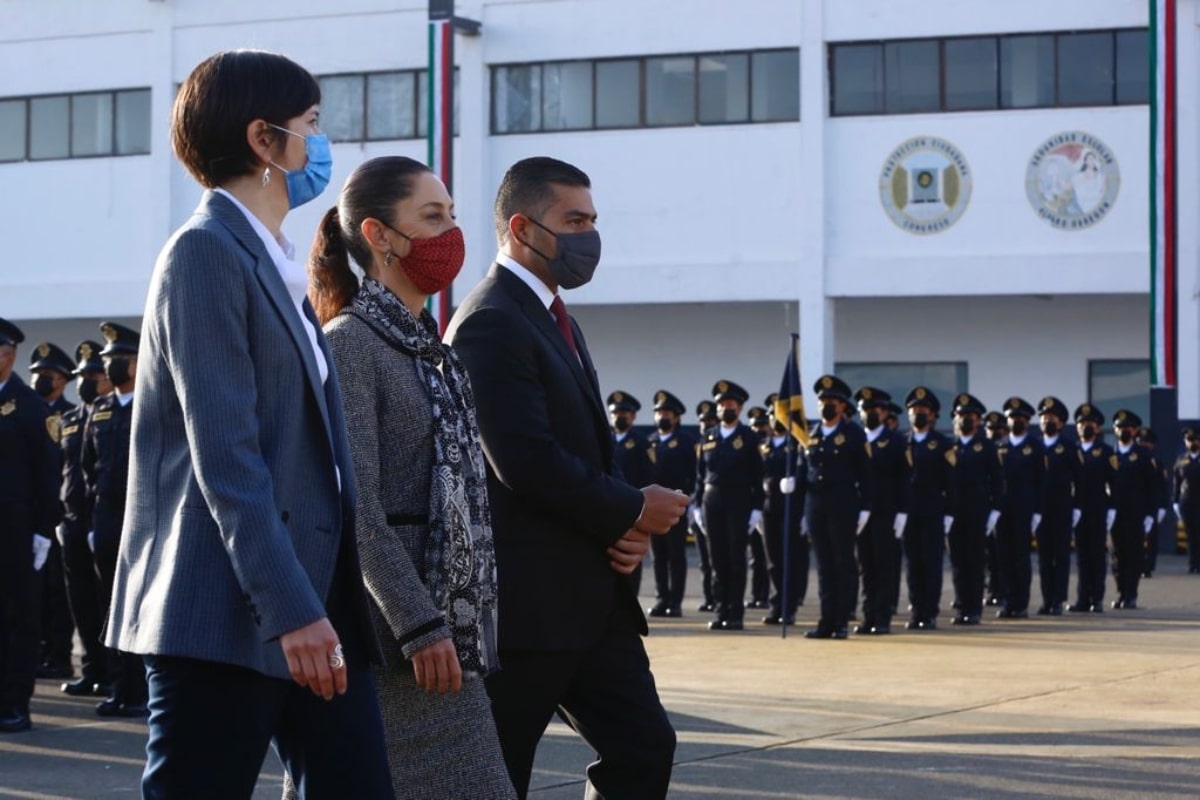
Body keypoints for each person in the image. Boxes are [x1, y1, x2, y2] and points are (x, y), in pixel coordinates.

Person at [103, 49, 393, 799]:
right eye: (311, 126)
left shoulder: (274, 260)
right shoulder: (204, 254)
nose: (319, 147)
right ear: (264, 140)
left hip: (311, 594)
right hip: (230, 611)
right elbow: (226, 456)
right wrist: (292, 609)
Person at [445, 156, 686, 799]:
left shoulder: (557, 318)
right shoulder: (491, 319)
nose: (589, 236)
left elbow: (587, 448)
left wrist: (625, 527)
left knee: (644, 748)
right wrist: (633, 508)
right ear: (523, 228)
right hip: (530, 610)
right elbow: (522, 459)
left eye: (593, 220)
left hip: (591, 600)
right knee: (497, 777)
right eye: (574, 220)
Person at [304, 155, 514, 799]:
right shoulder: (350, 343)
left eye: (451, 214)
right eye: (431, 216)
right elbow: (355, 504)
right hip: (393, 644)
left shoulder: (431, 349)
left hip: (449, 635)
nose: (450, 232)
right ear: (379, 235)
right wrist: (419, 625)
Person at [81, 322, 147, 718]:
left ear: (139, 363)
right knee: (110, 602)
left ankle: (140, 690)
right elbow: (88, 465)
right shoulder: (100, 410)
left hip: (140, 511)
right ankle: (118, 685)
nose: (112, 367)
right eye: (109, 360)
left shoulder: (153, 401)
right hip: (106, 513)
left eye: (120, 359)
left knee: (139, 601)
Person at [0, 318, 61, 733]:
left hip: (16, 529)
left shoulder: (30, 407)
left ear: (9, 355)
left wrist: (43, 530)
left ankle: (14, 702)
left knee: (17, 617)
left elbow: (48, 474)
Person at [58, 340, 113, 698]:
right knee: (79, 601)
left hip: (103, 522)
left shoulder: (112, 413)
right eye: (84, 375)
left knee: (104, 601)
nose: (87, 380)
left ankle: (113, 674)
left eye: (94, 374)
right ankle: (91, 669)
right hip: (74, 521)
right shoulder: (72, 418)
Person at [803, 375, 871, 640]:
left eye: (831, 401)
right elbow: (805, 468)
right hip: (816, 504)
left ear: (842, 406)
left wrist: (865, 507)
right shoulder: (811, 432)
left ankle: (841, 619)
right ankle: (826, 620)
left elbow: (865, 473)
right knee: (823, 565)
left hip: (842, 503)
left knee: (842, 562)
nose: (826, 405)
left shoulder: (853, 433)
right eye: (822, 401)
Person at [696, 379, 765, 632]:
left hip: (739, 501)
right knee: (717, 559)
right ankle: (720, 609)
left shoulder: (748, 437)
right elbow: (700, 475)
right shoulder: (708, 436)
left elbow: (758, 476)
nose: (726, 408)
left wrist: (757, 509)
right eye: (722, 404)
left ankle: (735, 612)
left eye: (731, 404)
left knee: (736, 558)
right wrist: (696, 506)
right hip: (711, 500)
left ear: (740, 407)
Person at [28, 342, 76, 680]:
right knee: (31, 589)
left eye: (47, 375)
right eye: (37, 375)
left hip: (59, 513)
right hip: (27, 513)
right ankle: (38, 650)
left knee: (58, 591)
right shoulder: (23, 410)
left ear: (62, 380)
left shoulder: (70, 415)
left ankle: (59, 655)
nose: (40, 380)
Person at [945, 393, 1002, 626]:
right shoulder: (950, 447)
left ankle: (974, 608)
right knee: (958, 561)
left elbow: (997, 481)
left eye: (969, 416)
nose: (965, 420)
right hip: (954, 511)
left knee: (975, 561)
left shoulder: (987, 447)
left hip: (978, 511)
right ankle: (961, 606)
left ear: (978, 420)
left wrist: (995, 511)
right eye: (961, 416)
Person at [854, 387, 905, 635]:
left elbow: (904, 479)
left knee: (883, 565)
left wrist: (902, 512)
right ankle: (868, 616)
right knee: (865, 566)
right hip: (860, 513)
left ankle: (882, 618)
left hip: (886, 511)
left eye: (874, 410)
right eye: (865, 410)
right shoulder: (855, 439)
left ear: (884, 413)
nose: (869, 414)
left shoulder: (896, 441)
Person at [902, 386, 952, 630]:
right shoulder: (902, 442)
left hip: (933, 509)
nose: (918, 414)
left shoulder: (942, 444)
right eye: (914, 410)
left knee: (931, 563)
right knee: (912, 564)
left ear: (932, 415)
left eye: (923, 410)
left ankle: (929, 612)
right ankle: (916, 610)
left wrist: (949, 513)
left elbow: (951, 482)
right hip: (908, 510)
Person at [646, 390, 696, 618]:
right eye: (659, 412)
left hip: (676, 505)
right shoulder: (650, 441)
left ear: (676, 417)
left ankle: (675, 602)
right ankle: (661, 598)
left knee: (676, 555)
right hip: (653, 507)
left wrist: (692, 501)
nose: (662, 416)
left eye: (667, 413)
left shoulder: (686, 442)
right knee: (658, 556)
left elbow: (695, 473)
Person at [995, 397, 1044, 619]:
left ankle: (1021, 603)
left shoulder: (1035, 447)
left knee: (1021, 557)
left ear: (1027, 421)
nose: (1015, 421)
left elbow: (1042, 481)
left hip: (1024, 508)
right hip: (1003, 509)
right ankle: (1007, 601)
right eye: (1012, 418)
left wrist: (1037, 511)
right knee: (1003, 557)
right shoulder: (1000, 446)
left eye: (1020, 418)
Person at [759, 404, 808, 625]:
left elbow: (805, 474)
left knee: (790, 558)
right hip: (769, 508)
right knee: (773, 560)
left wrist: (796, 481)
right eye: (772, 416)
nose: (775, 421)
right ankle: (776, 603)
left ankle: (789, 606)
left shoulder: (796, 445)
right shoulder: (764, 446)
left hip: (791, 508)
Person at [1035, 397, 1081, 615]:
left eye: (1052, 418)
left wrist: (1077, 507)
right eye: (1044, 418)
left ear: (1061, 423)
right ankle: (1046, 599)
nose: (1047, 421)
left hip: (1062, 507)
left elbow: (1080, 480)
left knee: (1060, 556)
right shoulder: (1034, 446)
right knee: (1044, 557)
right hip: (1040, 509)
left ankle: (1058, 600)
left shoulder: (1069, 448)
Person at [1109, 410, 1156, 609]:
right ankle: (1121, 593)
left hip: (1136, 513)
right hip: (1115, 513)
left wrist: (1150, 514)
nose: (1124, 431)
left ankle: (1131, 595)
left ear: (1135, 430)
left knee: (1133, 555)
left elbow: (1152, 486)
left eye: (1128, 427)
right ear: (1114, 430)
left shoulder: (1143, 455)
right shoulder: (1110, 454)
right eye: (1120, 427)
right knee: (1117, 556)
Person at [1070, 403, 1114, 612]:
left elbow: (1115, 483)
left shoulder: (1106, 452)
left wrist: (1112, 509)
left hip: (1098, 509)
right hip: (1077, 510)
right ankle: (1082, 598)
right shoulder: (1072, 450)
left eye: (1090, 424)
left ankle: (1096, 598)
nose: (1086, 426)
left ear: (1097, 428)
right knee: (1081, 556)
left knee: (1096, 555)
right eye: (1082, 423)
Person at [608, 391, 652, 597]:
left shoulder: (641, 443)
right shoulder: (603, 438)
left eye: (625, 413)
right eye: (616, 413)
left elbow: (649, 476)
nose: (620, 417)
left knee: (630, 558)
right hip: (607, 505)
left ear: (633, 416)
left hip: (633, 507)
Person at [691, 400, 719, 612]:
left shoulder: (717, 443)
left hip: (717, 502)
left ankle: (718, 598)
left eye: (710, 421)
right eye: (703, 421)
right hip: (701, 503)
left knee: (717, 557)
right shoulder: (698, 444)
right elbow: (698, 478)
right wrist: (695, 505)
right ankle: (709, 597)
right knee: (703, 558)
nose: (706, 424)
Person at [982, 410, 1009, 607]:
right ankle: (992, 589)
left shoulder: (1010, 448)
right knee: (989, 552)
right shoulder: (983, 449)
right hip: (987, 506)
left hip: (1007, 507)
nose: (994, 432)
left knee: (1004, 551)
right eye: (990, 429)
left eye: (998, 429)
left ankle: (1004, 590)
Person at [1135, 427, 1170, 578]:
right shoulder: (1131, 459)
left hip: (1153, 503)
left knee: (1151, 538)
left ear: (1152, 445)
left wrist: (1163, 506)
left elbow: (1162, 485)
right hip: (1135, 503)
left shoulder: (1157, 462)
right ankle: (1137, 565)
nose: (1143, 445)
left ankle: (1148, 567)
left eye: (1146, 443)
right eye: (1140, 442)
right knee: (1135, 537)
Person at [1173, 426, 1200, 574]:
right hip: (1187, 502)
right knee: (1191, 535)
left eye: (1195, 439)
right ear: (1185, 442)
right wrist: (1175, 501)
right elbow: (1176, 482)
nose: (1193, 443)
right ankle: (1193, 564)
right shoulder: (1181, 460)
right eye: (1189, 440)